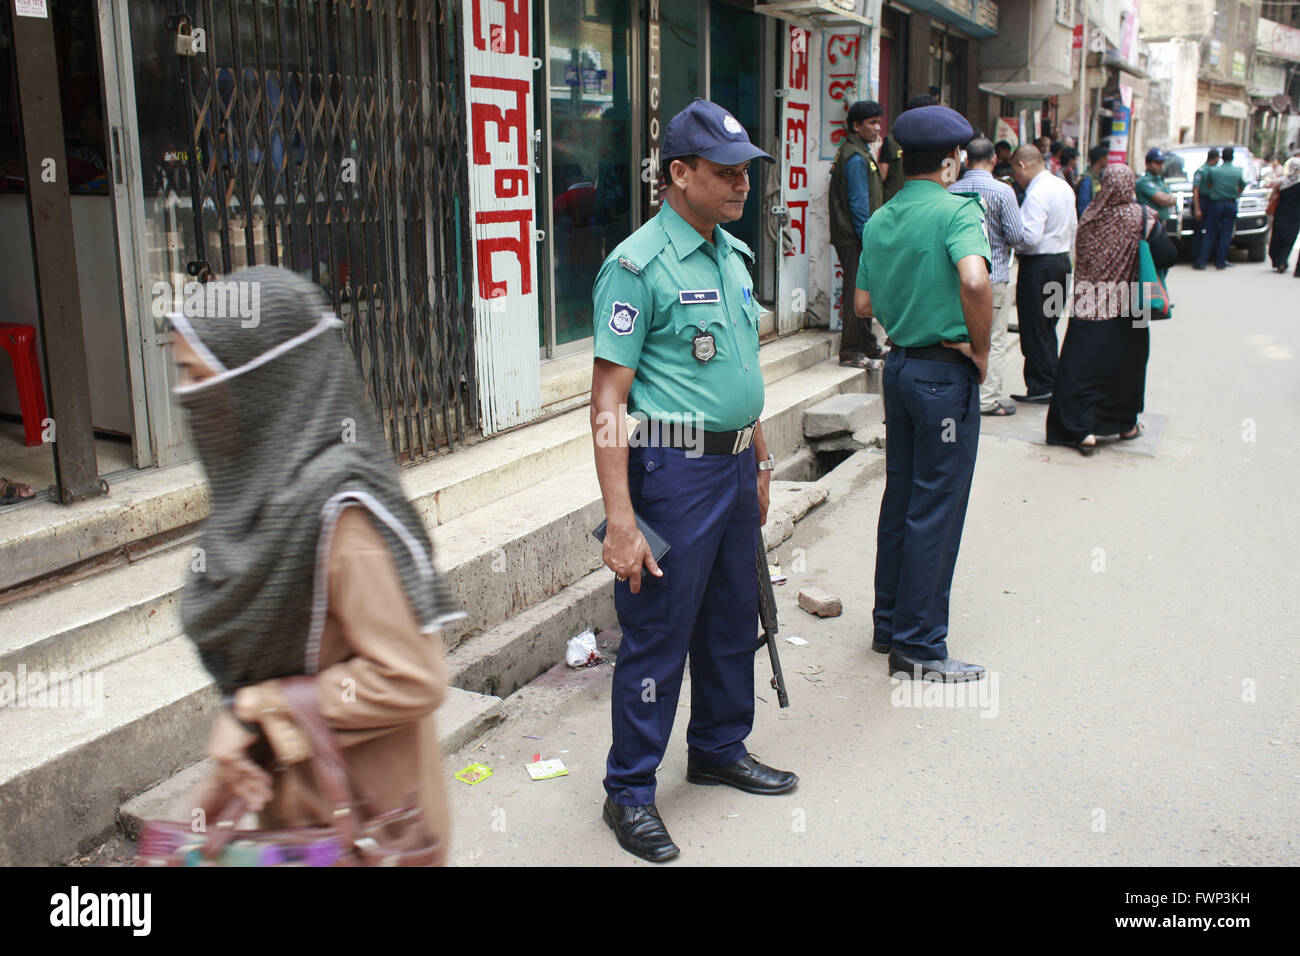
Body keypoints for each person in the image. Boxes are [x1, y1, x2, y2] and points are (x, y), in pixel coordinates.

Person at [172, 265, 460, 866]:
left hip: (374, 831)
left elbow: (412, 676)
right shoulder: (262, 504)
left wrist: (259, 707)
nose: (187, 399)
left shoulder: (341, 514)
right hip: (297, 820)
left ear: (263, 382)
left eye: (199, 378)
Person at [590, 99, 797, 864]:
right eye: (724, 173)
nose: (742, 185)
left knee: (729, 614)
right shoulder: (637, 265)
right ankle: (630, 792)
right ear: (679, 173)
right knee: (658, 632)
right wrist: (620, 519)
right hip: (672, 471)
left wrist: (762, 456)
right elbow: (608, 399)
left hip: (736, 464)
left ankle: (717, 746)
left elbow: (741, 374)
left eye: (746, 172)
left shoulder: (729, 255)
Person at [855, 105, 992, 683]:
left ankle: (889, 623)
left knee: (902, 498)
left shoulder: (881, 219)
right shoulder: (958, 211)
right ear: (953, 161)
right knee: (937, 507)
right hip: (943, 374)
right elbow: (975, 279)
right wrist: (981, 351)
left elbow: (863, 306)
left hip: (900, 368)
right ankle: (918, 647)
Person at [1046, 166, 1154, 456]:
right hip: (1132, 304)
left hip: (1089, 304)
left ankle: (1083, 430)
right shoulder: (1141, 216)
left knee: (1081, 369)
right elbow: (1165, 252)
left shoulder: (1090, 216)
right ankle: (1125, 425)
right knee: (1128, 367)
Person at [949, 136, 1025, 417]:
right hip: (994, 277)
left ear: (966, 160)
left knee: (961, 335)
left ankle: (959, 393)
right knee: (993, 338)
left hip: (958, 276)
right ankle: (987, 399)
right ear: (994, 159)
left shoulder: (952, 189)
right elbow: (1017, 237)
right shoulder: (1003, 192)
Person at [1010, 145, 1078, 403]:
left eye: (1016, 172)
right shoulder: (1063, 187)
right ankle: (1050, 383)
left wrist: (1011, 241)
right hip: (1061, 262)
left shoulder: (1037, 192)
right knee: (1048, 326)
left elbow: (1029, 238)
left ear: (1022, 165)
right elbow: (1073, 228)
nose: (1017, 179)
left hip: (1039, 266)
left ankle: (1042, 387)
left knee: (1035, 328)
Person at [829, 100, 889, 367]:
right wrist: (868, 238)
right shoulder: (854, 157)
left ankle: (868, 345)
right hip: (856, 238)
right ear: (856, 126)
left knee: (866, 290)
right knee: (856, 293)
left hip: (861, 236)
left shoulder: (861, 152)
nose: (878, 128)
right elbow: (858, 204)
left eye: (879, 122)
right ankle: (851, 351)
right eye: (872, 123)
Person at [1195, 146, 1245, 270]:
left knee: (1210, 233)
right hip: (1230, 203)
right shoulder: (1238, 171)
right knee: (1226, 234)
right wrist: (1235, 194)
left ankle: (1202, 261)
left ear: (1221, 157)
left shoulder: (1214, 171)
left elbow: (1208, 185)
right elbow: (1242, 186)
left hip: (1216, 204)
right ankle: (1220, 262)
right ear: (1232, 157)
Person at [881, 94, 938, 201]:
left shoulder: (891, 141)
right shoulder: (937, 142)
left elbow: (882, 175)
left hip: (899, 203)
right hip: (919, 202)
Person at [1135, 148, 1180, 238]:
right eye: (1157, 163)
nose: (1161, 166)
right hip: (1150, 225)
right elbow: (1162, 200)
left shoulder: (1160, 180)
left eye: (1161, 163)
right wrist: (1167, 199)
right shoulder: (1143, 181)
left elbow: (1173, 199)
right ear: (1148, 164)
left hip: (1162, 223)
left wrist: (1168, 199)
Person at [1266, 156, 1300, 274]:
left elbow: (1269, 186)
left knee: (1277, 237)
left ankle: (1278, 261)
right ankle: (1283, 260)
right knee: (1289, 239)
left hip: (1281, 213)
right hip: (1295, 215)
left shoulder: (1281, 181)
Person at [1190, 148, 1220, 262]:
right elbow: (1195, 190)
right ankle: (1196, 257)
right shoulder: (1201, 171)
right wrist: (1197, 209)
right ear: (1216, 158)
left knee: (1211, 231)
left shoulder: (1214, 170)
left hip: (1210, 202)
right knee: (1198, 231)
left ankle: (1206, 256)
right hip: (1202, 202)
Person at [1076, 145, 1109, 217]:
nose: (1108, 160)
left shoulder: (1098, 178)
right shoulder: (1087, 179)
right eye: (1106, 157)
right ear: (1101, 159)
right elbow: (1083, 207)